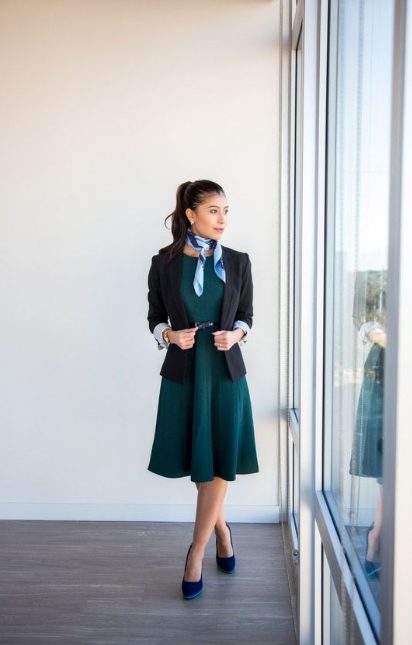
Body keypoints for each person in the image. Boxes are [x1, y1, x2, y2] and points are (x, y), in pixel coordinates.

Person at [147, 179, 259, 599]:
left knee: (216, 464)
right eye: (214, 210)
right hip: (185, 372)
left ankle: (196, 551)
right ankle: (224, 532)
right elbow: (155, 315)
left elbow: (247, 314)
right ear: (190, 214)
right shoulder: (164, 262)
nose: (223, 219)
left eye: (226, 210)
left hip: (226, 372)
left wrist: (238, 334)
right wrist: (169, 336)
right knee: (201, 462)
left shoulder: (239, 261)